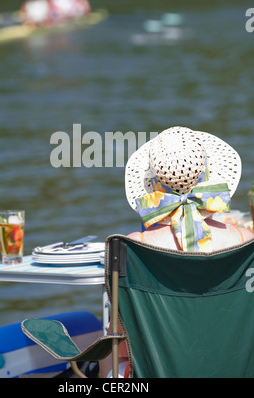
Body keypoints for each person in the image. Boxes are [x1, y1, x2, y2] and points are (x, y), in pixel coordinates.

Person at [100, 126, 253, 377]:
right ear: (209, 172)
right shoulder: (244, 241)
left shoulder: (135, 248)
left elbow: (123, 345)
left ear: (153, 183)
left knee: (109, 342)